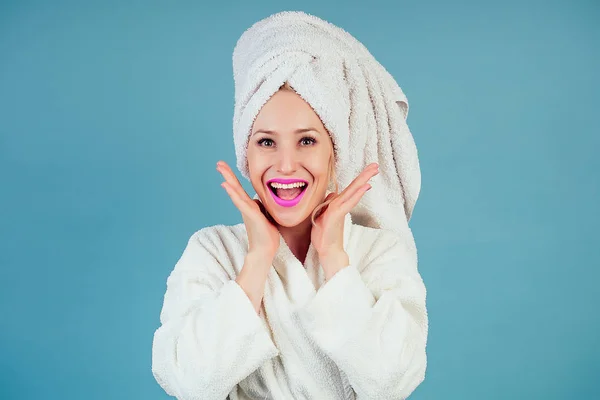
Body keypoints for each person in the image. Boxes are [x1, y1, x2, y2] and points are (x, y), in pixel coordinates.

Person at [152, 11, 428, 400]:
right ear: (245, 154)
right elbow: (189, 382)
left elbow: (391, 383)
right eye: (266, 141)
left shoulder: (377, 252)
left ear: (336, 155)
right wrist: (257, 259)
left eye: (307, 141)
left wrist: (333, 256)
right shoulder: (214, 252)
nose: (285, 165)